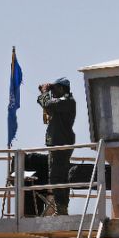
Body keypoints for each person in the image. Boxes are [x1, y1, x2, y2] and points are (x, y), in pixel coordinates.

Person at [37, 77, 76, 215]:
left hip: (60, 144)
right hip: (58, 143)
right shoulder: (61, 104)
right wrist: (45, 93)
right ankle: (62, 208)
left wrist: (44, 92)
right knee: (61, 176)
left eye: (55, 88)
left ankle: (61, 208)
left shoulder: (67, 102)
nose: (53, 91)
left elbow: (47, 104)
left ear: (62, 88)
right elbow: (48, 106)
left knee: (56, 177)